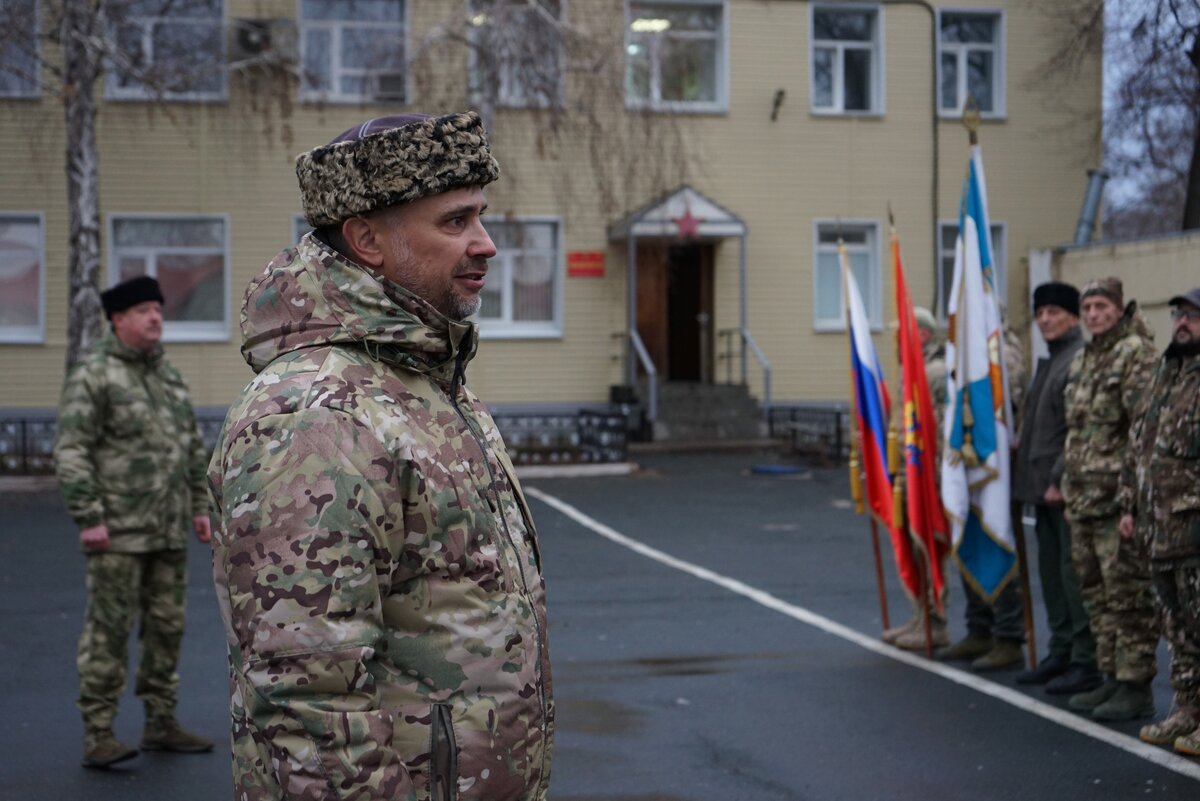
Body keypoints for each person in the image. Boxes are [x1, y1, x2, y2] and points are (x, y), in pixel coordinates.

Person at [207, 112, 554, 800]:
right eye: (454, 223)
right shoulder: (317, 413)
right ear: (367, 238)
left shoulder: (422, 384)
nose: (485, 245)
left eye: (481, 218)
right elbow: (309, 712)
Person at [53, 275, 214, 768]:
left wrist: (199, 506)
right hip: (118, 532)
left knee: (167, 628)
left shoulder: (166, 375)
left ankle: (161, 721)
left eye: (158, 309)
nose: (155, 317)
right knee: (109, 631)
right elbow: (72, 450)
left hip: (165, 529)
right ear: (117, 318)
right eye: (143, 310)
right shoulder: (95, 375)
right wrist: (88, 516)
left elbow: (189, 447)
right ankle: (98, 732)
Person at [1060, 278, 1158, 720]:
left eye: (1102, 306)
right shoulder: (1085, 358)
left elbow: (1143, 432)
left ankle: (1135, 684)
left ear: (1119, 309)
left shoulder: (1134, 353)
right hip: (1083, 499)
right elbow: (1078, 432)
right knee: (1095, 594)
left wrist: (1132, 502)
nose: (1094, 314)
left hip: (1115, 502)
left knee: (1127, 595)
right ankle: (1110, 677)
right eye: (1088, 307)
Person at [1120, 286, 1200, 756]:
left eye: (1191, 314)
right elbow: (1139, 446)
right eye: (1178, 314)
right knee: (1180, 629)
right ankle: (1188, 709)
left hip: (1193, 528)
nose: (1182, 322)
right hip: (1160, 530)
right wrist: (1130, 504)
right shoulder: (1166, 375)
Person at [1010, 281, 1099, 693]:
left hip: (1064, 489)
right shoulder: (1049, 361)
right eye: (1040, 311)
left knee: (1072, 574)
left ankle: (1085, 658)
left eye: (1054, 311)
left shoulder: (1077, 359)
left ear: (1073, 316)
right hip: (1039, 490)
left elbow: (1078, 428)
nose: (1045, 318)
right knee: (1051, 573)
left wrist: (1060, 477)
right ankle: (1061, 649)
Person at [935, 316, 1029, 671]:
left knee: (996, 545)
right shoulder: (963, 352)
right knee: (971, 543)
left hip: (992, 468)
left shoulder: (1000, 351)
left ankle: (1007, 635)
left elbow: (1004, 403)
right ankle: (980, 628)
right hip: (965, 466)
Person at [884, 307, 949, 651]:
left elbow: (936, 429)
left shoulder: (934, 372)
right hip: (907, 475)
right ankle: (920, 615)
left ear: (921, 335)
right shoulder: (912, 369)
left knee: (927, 545)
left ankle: (935, 620)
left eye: (900, 335)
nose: (895, 342)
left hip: (928, 477)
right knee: (912, 544)